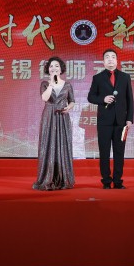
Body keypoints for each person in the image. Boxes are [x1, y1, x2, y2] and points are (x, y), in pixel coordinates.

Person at [87, 49, 134, 189]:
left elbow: (130, 99)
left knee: (120, 152)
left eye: (113, 57)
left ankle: (118, 181)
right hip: (104, 122)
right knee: (104, 152)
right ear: (103, 61)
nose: (110, 59)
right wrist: (103, 99)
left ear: (117, 60)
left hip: (121, 122)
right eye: (107, 57)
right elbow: (90, 97)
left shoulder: (125, 77)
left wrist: (129, 119)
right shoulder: (98, 78)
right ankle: (106, 181)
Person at [33, 56, 76, 190]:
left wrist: (69, 107)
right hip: (49, 117)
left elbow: (72, 101)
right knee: (48, 145)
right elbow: (44, 98)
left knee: (63, 145)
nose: (54, 68)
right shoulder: (45, 84)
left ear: (61, 69)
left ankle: (63, 178)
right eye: (51, 66)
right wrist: (51, 84)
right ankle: (47, 178)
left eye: (56, 66)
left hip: (62, 117)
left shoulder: (67, 85)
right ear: (48, 69)